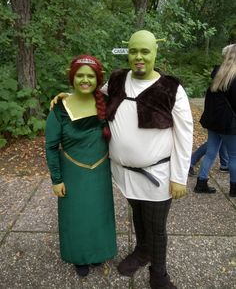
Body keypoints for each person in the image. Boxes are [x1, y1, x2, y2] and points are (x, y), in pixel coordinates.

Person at [51, 30, 193, 288]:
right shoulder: (117, 80)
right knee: (138, 216)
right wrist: (66, 97)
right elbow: (91, 93)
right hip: (124, 173)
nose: (139, 57)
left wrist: (179, 177)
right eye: (134, 51)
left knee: (157, 226)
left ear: (155, 53)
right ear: (128, 52)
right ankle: (141, 251)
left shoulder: (171, 88)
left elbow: (185, 135)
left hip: (157, 175)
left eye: (145, 51)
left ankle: (158, 273)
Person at [45, 55, 117, 277]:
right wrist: (56, 180)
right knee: (77, 216)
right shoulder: (60, 109)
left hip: (100, 173)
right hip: (73, 173)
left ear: (98, 79)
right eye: (80, 75)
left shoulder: (106, 103)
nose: (85, 80)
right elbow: (50, 146)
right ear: (72, 78)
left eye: (90, 76)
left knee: (98, 214)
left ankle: (98, 252)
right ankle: (79, 255)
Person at [194, 44, 236, 196]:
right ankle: (234, 189)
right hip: (229, 124)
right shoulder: (234, 77)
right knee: (234, 156)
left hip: (213, 122)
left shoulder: (218, 75)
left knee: (211, 152)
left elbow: (209, 101)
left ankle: (201, 182)